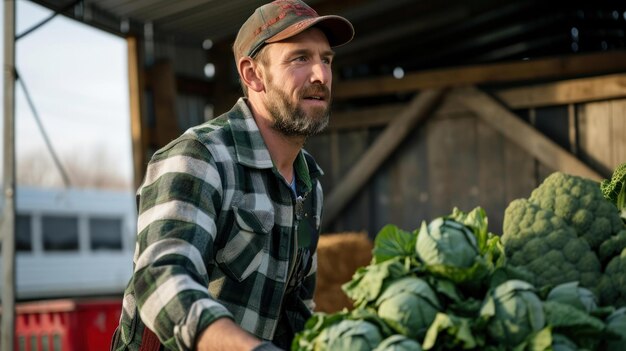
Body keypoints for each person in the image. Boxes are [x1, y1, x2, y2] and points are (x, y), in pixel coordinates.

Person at [110, 1, 354, 350]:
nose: (321, 75)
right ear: (253, 74)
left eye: (326, 59)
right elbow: (161, 278)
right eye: (300, 58)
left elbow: (297, 314)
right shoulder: (200, 157)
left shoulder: (308, 182)